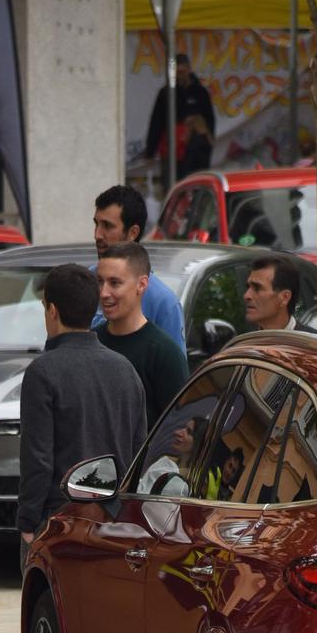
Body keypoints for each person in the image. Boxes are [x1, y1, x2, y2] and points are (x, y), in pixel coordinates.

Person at [3, 263, 148, 633]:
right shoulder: (124, 370)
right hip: (116, 527)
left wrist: (27, 523)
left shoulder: (44, 372)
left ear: (51, 311)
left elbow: (37, 460)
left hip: (58, 528)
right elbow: (136, 452)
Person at [96, 243, 189, 425]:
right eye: (100, 282)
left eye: (115, 283)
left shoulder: (164, 353)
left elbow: (178, 429)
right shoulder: (90, 341)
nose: (104, 293)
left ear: (142, 285)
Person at [92, 183, 186, 353]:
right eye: (96, 224)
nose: (97, 235)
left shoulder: (163, 303)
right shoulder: (84, 283)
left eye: (107, 226)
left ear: (133, 232)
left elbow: (174, 371)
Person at [143, 52, 215, 164]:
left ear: (189, 70)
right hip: (172, 151)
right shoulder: (165, 93)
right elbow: (156, 122)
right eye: (175, 73)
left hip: (196, 151)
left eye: (181, 72)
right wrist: (150, 152)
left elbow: (210, 120)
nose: (178, 77)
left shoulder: (200, 92)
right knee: (173, 180)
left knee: (195, 179)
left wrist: (208, 146)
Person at [243, 255, 302, 333]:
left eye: (257, 288)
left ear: (285, 297)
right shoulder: (242, 342)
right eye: (248, 287)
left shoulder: (314, 343)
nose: (246, 295)